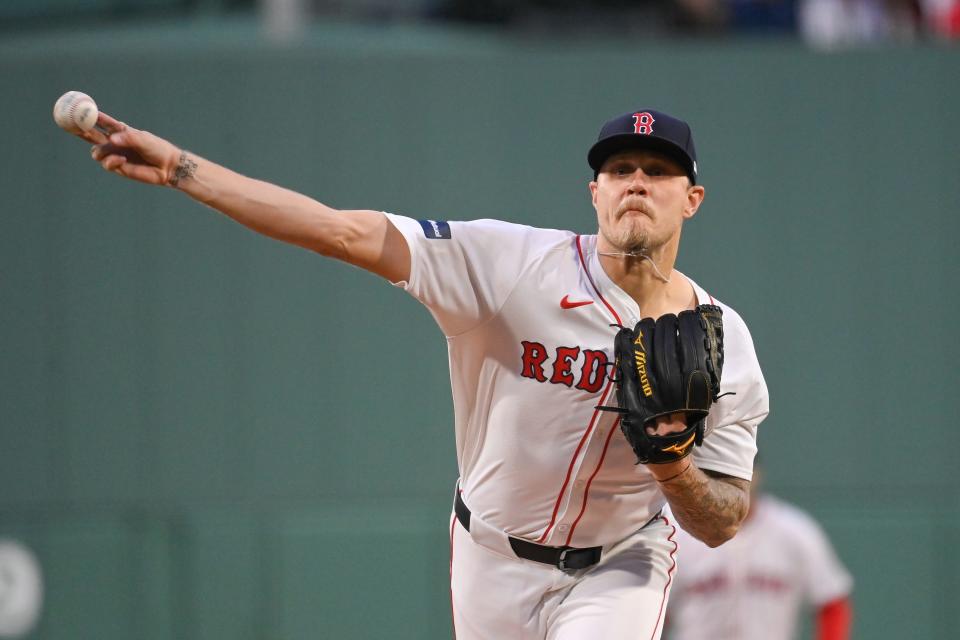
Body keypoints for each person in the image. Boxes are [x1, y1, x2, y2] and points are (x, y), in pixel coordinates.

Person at [78, 106, 769, 640]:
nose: (637, 184)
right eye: (621, 170)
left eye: (657, 170)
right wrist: (180, 168)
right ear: (595, 192)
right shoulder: (510, 265)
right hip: (490, 556)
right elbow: (337, 231)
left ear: (692, 198)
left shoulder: (723, 339)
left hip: (622, 561)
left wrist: (675, 467)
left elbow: (721, 521)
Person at [664, 466, 853, 640]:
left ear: (756, 473)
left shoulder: (795, 531)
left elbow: (831, 602)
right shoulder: (677, 533)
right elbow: (658, 611)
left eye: (738, 468)